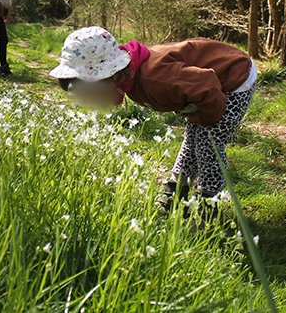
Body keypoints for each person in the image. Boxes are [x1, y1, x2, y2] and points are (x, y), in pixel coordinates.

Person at [49, 26, 257, 226]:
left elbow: (207, 85)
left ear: (109, 76)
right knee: (193, 138)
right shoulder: (129, 79)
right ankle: (176, 194)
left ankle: (209, 208)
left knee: (207, 142)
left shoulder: (155, 78)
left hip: (233, 78)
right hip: (201, 91)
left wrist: (207, 121)